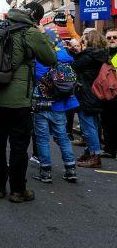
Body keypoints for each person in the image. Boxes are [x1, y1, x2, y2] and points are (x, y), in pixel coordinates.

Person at [0, 2, 56, 203]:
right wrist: (42, 33)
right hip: (19, 100)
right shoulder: (30, 32)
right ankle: (18, 190)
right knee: (19, 146)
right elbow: (50, 58)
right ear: (34, 17)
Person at [31, 29, 78, 183]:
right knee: (63, 137)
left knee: (42, 139)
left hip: (40, 104)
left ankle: (45, 172)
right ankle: (71, 169)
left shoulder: (37, 60)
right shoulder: (64, 57)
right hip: (59, 105)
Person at [70, 30, 109, 168]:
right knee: (94, 124)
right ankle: (90, 152)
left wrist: (73, 49)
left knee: (89, 126)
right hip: (96, 94)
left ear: (90, 41)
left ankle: (95, 156)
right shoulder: (100, 55)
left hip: (87, 94)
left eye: (84, 40)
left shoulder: (89, 57)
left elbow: (74, 65)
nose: (83, 42)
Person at [101, 29, 117, 159]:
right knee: (107, 122)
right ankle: (109, 148)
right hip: (106, 96)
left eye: (115, 37)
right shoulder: (103, 54)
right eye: (109, 37)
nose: (112, 39)